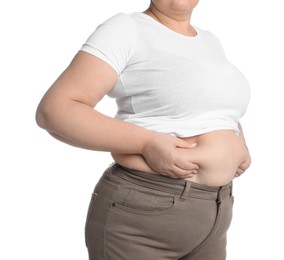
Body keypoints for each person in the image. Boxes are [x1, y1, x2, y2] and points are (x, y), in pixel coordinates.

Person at [35, 0, 251, 259]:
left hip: (216, 211)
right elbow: (55, 111)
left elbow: (213, 107)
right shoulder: (127, 28)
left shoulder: (210, 41)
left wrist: (239, 143)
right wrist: (146, 143)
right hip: (144, 214)